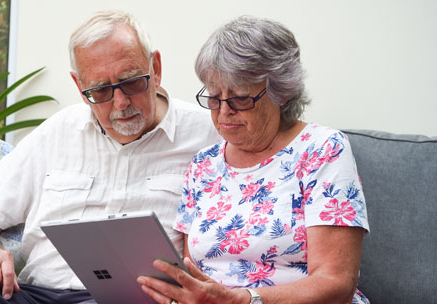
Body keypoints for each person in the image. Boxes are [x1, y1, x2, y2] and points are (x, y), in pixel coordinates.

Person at [0, 10, 220, 304]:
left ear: (155, 68)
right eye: (100, 90)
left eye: (130, 82)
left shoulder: (210, 134)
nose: (119, 102)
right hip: (33, 294)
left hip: (131, 299)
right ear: (79, 86)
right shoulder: (59, 131)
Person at [137, 16, 370, 304]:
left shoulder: (322, 150)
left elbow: (336, 284)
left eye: (240, 98)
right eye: (213, 97)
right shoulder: (204, 164)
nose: (223, 112)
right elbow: (191, 271)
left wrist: (242, 300)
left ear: (281, 93)